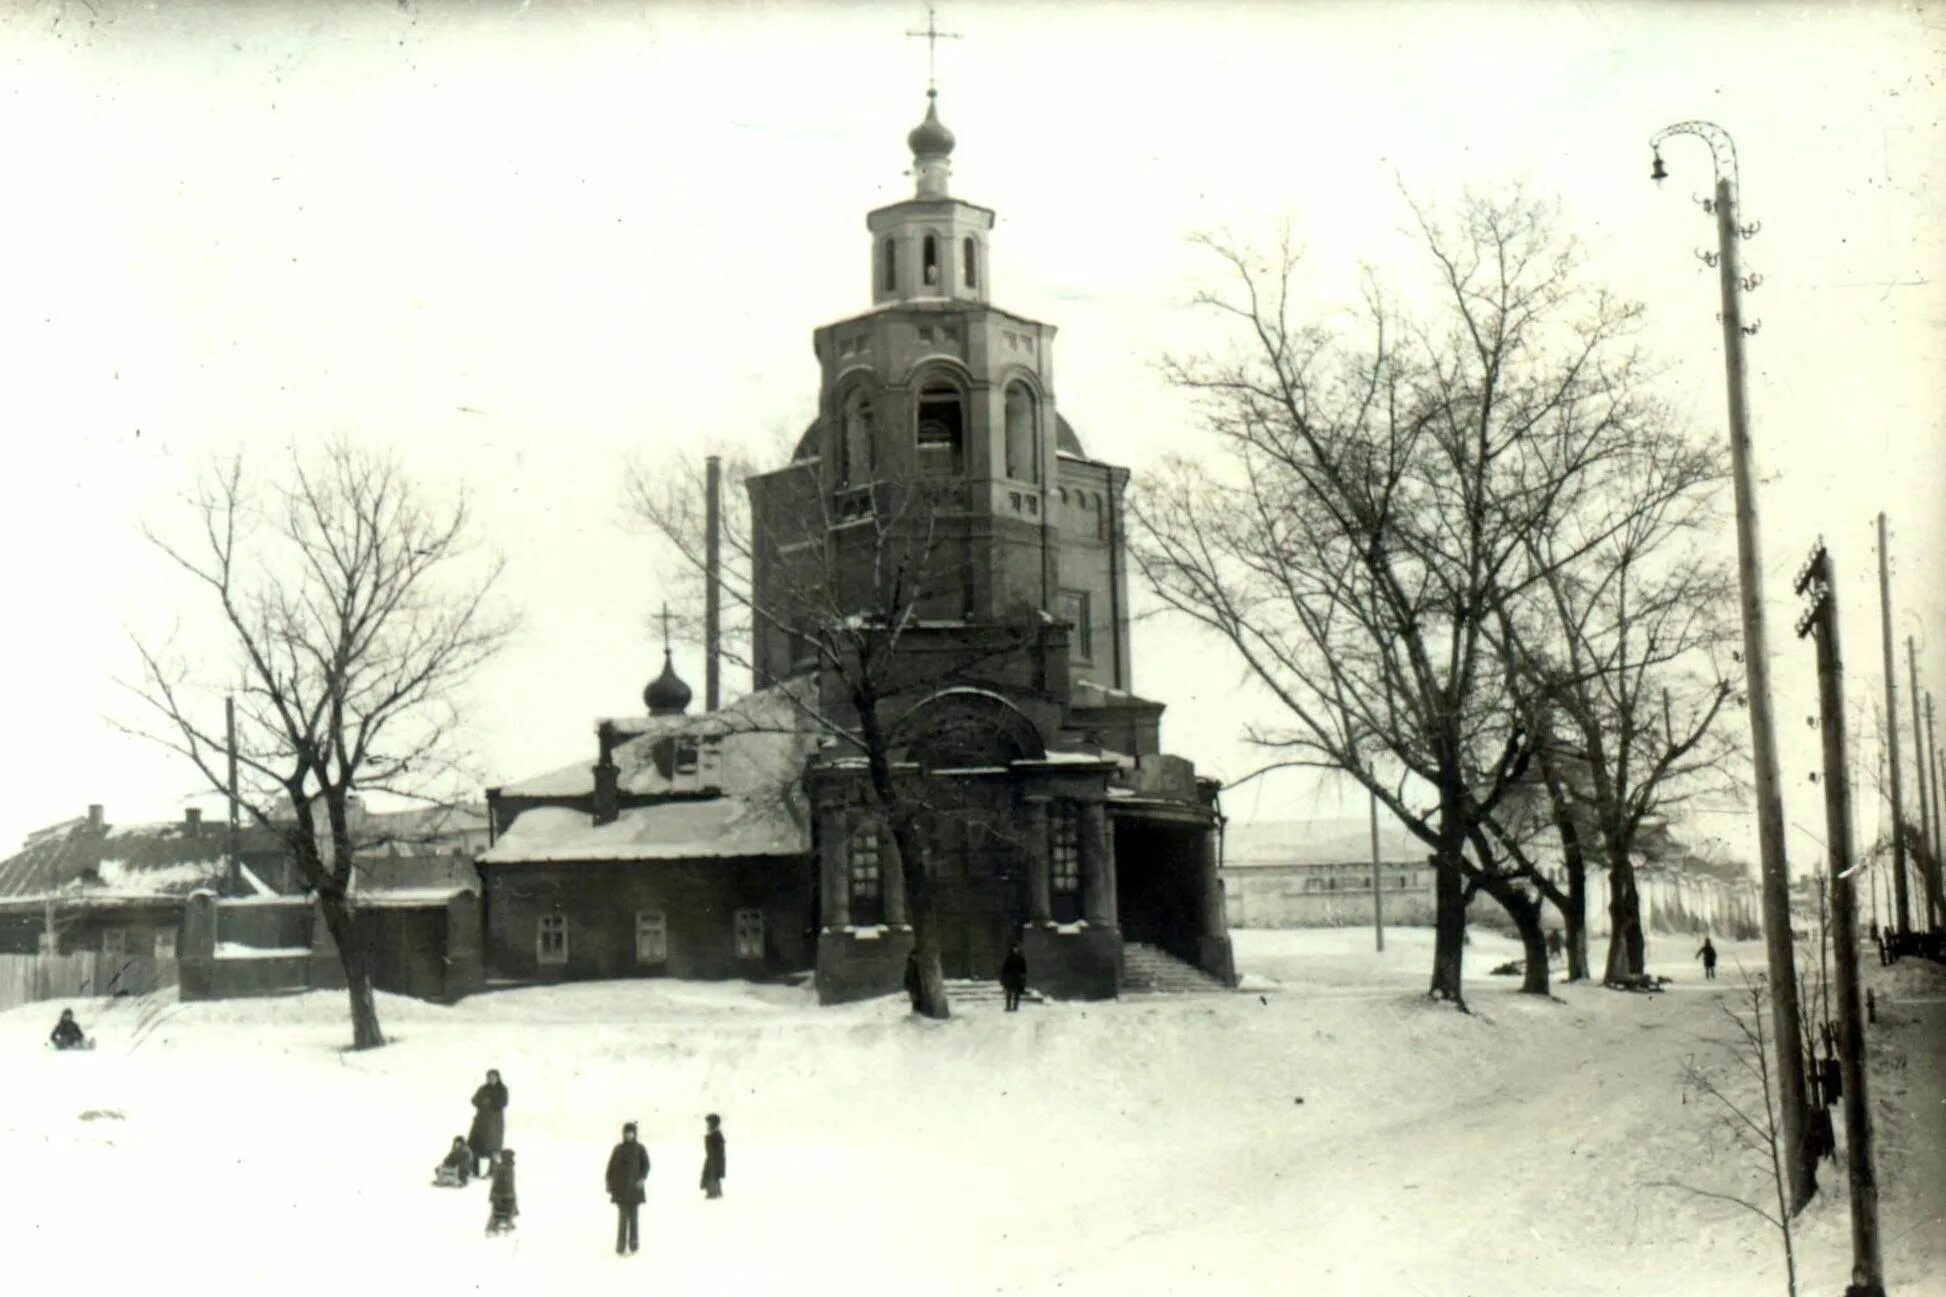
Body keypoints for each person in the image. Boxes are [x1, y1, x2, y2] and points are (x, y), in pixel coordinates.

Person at [605, 1123, 650, 1255]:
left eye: (631, 1132)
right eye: (627, 1132)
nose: (629, 1135)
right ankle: (620, 1247)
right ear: (623, 1133)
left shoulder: (640, 1149)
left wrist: (642, 1178)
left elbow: (646, 1165)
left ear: (635, 1134)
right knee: (623, 1220)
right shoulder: (618, 1149)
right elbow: (610, 1168)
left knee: (634, 1219)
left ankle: (634, 1245)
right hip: (620, 1190)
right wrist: (608, 1183)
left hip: (635, 1190)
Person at [469, 1069, 508, 1179]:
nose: (491, 1079)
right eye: (489, 1077)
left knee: (493, 1148)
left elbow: (503, 1102)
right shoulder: (483, 1089)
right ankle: (474, 1171)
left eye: (493, 1077)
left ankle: (492, 1172)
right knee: (474, 1146)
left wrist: (490, 1101)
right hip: (480, 1123)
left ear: (498, 1077)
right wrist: (483, 1101)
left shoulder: (502, 1090)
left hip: (495, 1125)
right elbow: (474, 1100)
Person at [486, 1149, 519, 1235]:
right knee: (512, 1203)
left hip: (497, 1200)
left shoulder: (500, 1168)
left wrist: (493, 1196)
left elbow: (496, 1184)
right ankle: (509, 1219)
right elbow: (508, 1185)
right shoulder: (509, 1168)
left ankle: (496, 1222)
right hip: (507, 1200)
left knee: (499, 1208)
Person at [700, 1114, 725, 1200]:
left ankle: (713, 1193)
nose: (707, 1125)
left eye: (708, 1123)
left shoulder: (716, 1135)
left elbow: (717, 1152)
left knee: (713, 1176)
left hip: (714, 1161)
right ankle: (713, 1191)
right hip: (711, 1161)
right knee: (712, 1176)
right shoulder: (713, 1134)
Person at [999, 942, 1028, 1012]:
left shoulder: (1021, 958)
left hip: (1017, 977)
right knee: (1009, 993)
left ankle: (1015, 1006)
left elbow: (1024, 968)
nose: (1015, 950)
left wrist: (1022, 975)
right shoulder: (1009, 957)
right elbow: (1005, 967)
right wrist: (1004, 976)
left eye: (1016, 948)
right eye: (1014, 948)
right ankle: (1008, 1006)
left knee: (1017, 993)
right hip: (1010, 977)